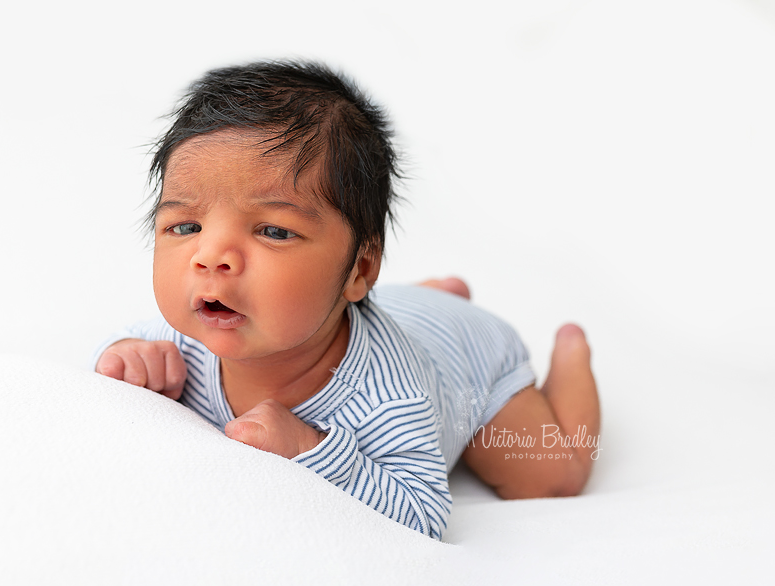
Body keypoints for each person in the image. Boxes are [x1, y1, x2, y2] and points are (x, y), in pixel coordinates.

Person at [93, 60, 601, 540]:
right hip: (400, 310)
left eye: (272, 230)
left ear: (359, 269)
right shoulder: (184, 336)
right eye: (186, 226)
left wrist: (310, 448)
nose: (210, 257)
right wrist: (126, 357)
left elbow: (424, 514)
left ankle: (570, 354)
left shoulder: (390, 396)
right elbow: (127, 355)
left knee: (549, 478)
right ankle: (435, 295)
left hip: (471, 358)